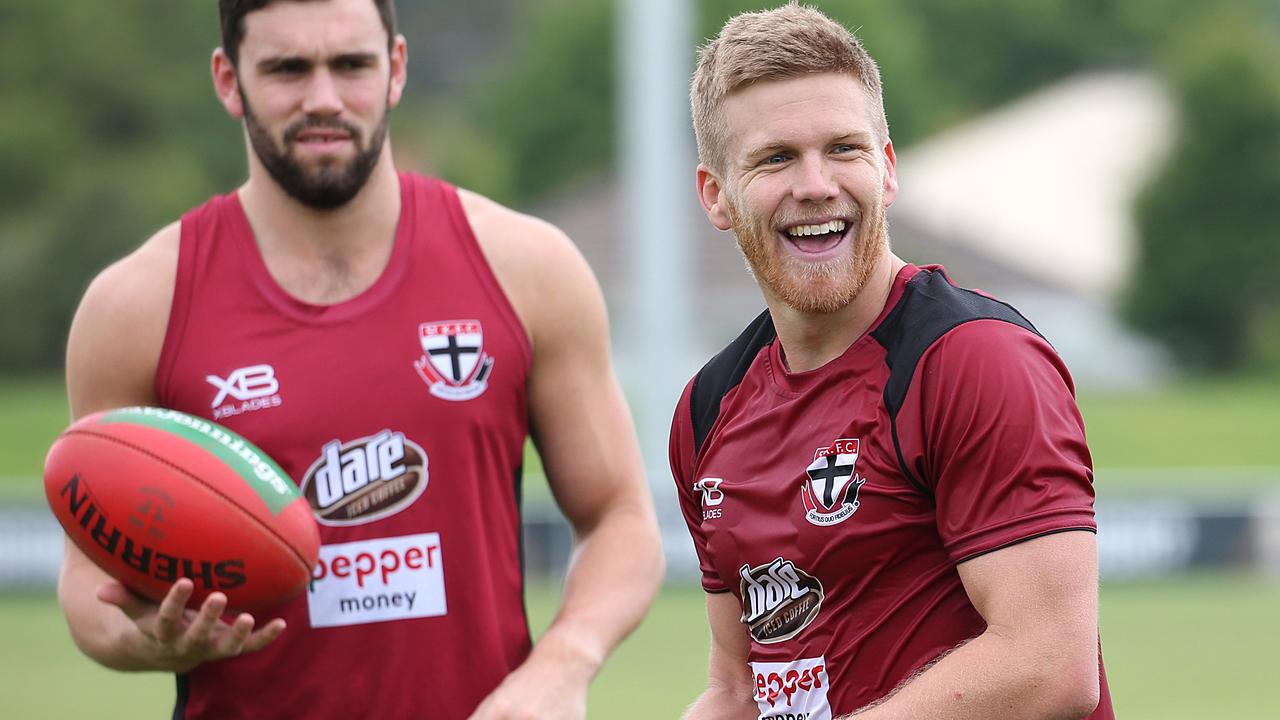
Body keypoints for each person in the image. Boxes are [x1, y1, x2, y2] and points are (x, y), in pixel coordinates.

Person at [56, 0, 664, 717]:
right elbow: (86, 589)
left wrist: (563, 664)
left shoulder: (527, 269)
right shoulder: (134, 308)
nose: (323, 99)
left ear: (396, 69)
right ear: (228, 80)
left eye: (350, 65)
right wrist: (150, 642)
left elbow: (620, 517)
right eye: (287, 69)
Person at [669, 4, 1114, 719]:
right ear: (716, 195)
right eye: (776, 158)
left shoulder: (973, 360)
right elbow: (739, 688)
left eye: (844, 148)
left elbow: (1051, 664)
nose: (815, 184)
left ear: (888, 167)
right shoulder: (708, 407)